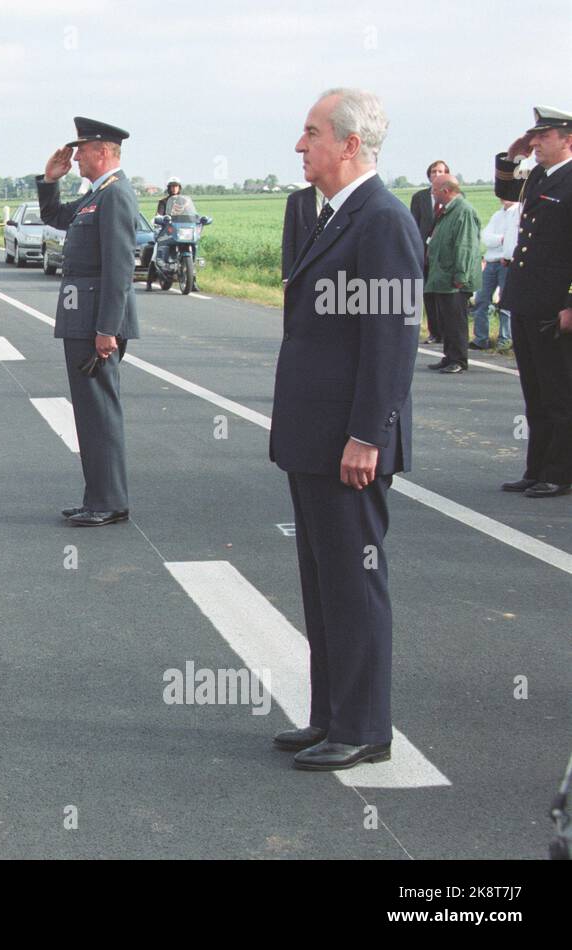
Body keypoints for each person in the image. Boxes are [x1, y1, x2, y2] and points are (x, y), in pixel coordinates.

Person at [270, 88, 420, 771]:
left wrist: (368, 434)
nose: (301, 145)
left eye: (311, 132)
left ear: (349, 144)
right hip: (316, 436)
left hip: (348, 444)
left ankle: (363, 727)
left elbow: (390, 339)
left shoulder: (381, 219)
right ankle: (331, 714)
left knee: (354, 582)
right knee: (325, 581)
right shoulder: (327, 215)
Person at [37, 116, 138, 527]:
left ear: (103, 151)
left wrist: (106, 330)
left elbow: (119, 269)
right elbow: (56, 216)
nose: (75, 156)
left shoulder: (115, 195)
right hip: (86, 321)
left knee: (99, 413)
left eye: (81, 150)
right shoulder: (97, 194)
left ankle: (109, 502)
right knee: (91, 414)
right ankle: (99, 497)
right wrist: (49, 179)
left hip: (97, 323)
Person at [496, 105, 572, 499]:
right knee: (535, 392)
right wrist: (512, 157)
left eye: (544, 137)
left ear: (568, 139)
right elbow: (506, 191)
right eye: (535, 136)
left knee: (560, 393)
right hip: (528, 298)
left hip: (555, 305)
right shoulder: (541, 175)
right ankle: (537, 467)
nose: (536, 143)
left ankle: (560, 473)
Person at [424, 175, 481, 374]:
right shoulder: (448, 212)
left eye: (435, 189)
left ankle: (458, 359)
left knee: (456, 321)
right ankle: (449, 356)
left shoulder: (463, 211)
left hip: (453, 279)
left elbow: (465, 246)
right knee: (446, 320)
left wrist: (461, 276)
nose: (432, 193)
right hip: (442, 277)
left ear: (446, 190)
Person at [410, 160, 451, 343]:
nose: (436, 174)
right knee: (428, 294)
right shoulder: (420, 197)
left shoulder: (453, 196)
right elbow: (414, 224)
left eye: (440, 171)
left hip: (444, 254)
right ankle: (434, 332)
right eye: (434, 171)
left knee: (443, 294)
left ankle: (446, 331)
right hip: (425, 253)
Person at [469, 198, 519, 350]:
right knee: (481, 299)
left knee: (505, 303)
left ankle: (504, 339)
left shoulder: (518, 213)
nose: (504, 198)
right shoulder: (497, 215)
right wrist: (501, 239)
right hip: (491, 262)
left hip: (506, 262)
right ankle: (480, 338)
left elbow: (514, 240)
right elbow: (485, 237)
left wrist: (502, 242)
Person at [281, 184, 320, 281]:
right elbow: (288, 241)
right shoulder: (297, 200)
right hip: (304, 275)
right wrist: (287, 278)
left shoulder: (347, 197)